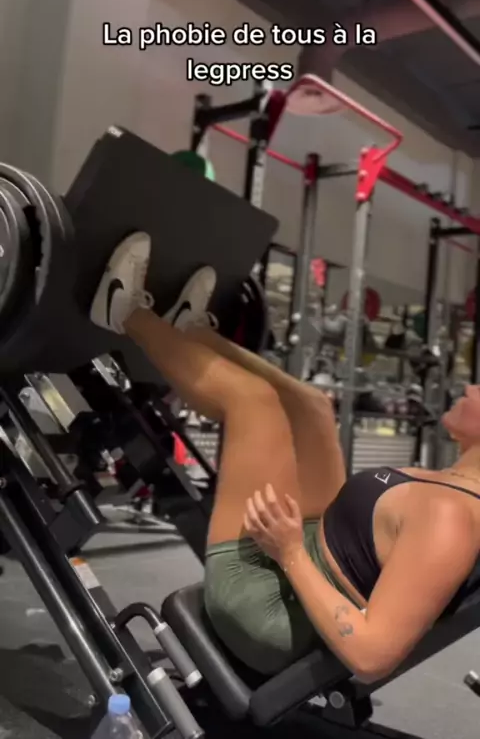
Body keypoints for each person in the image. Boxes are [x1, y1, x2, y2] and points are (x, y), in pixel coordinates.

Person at [90, 233, 480, 683]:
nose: (471, 387)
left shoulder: (450, 520)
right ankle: (192, 331)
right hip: (316, 545)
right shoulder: (452, 489)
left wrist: (290, 551)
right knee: (313, 407)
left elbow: (372, 657)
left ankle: (123, 311)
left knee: (253, 404)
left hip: (270, 609)